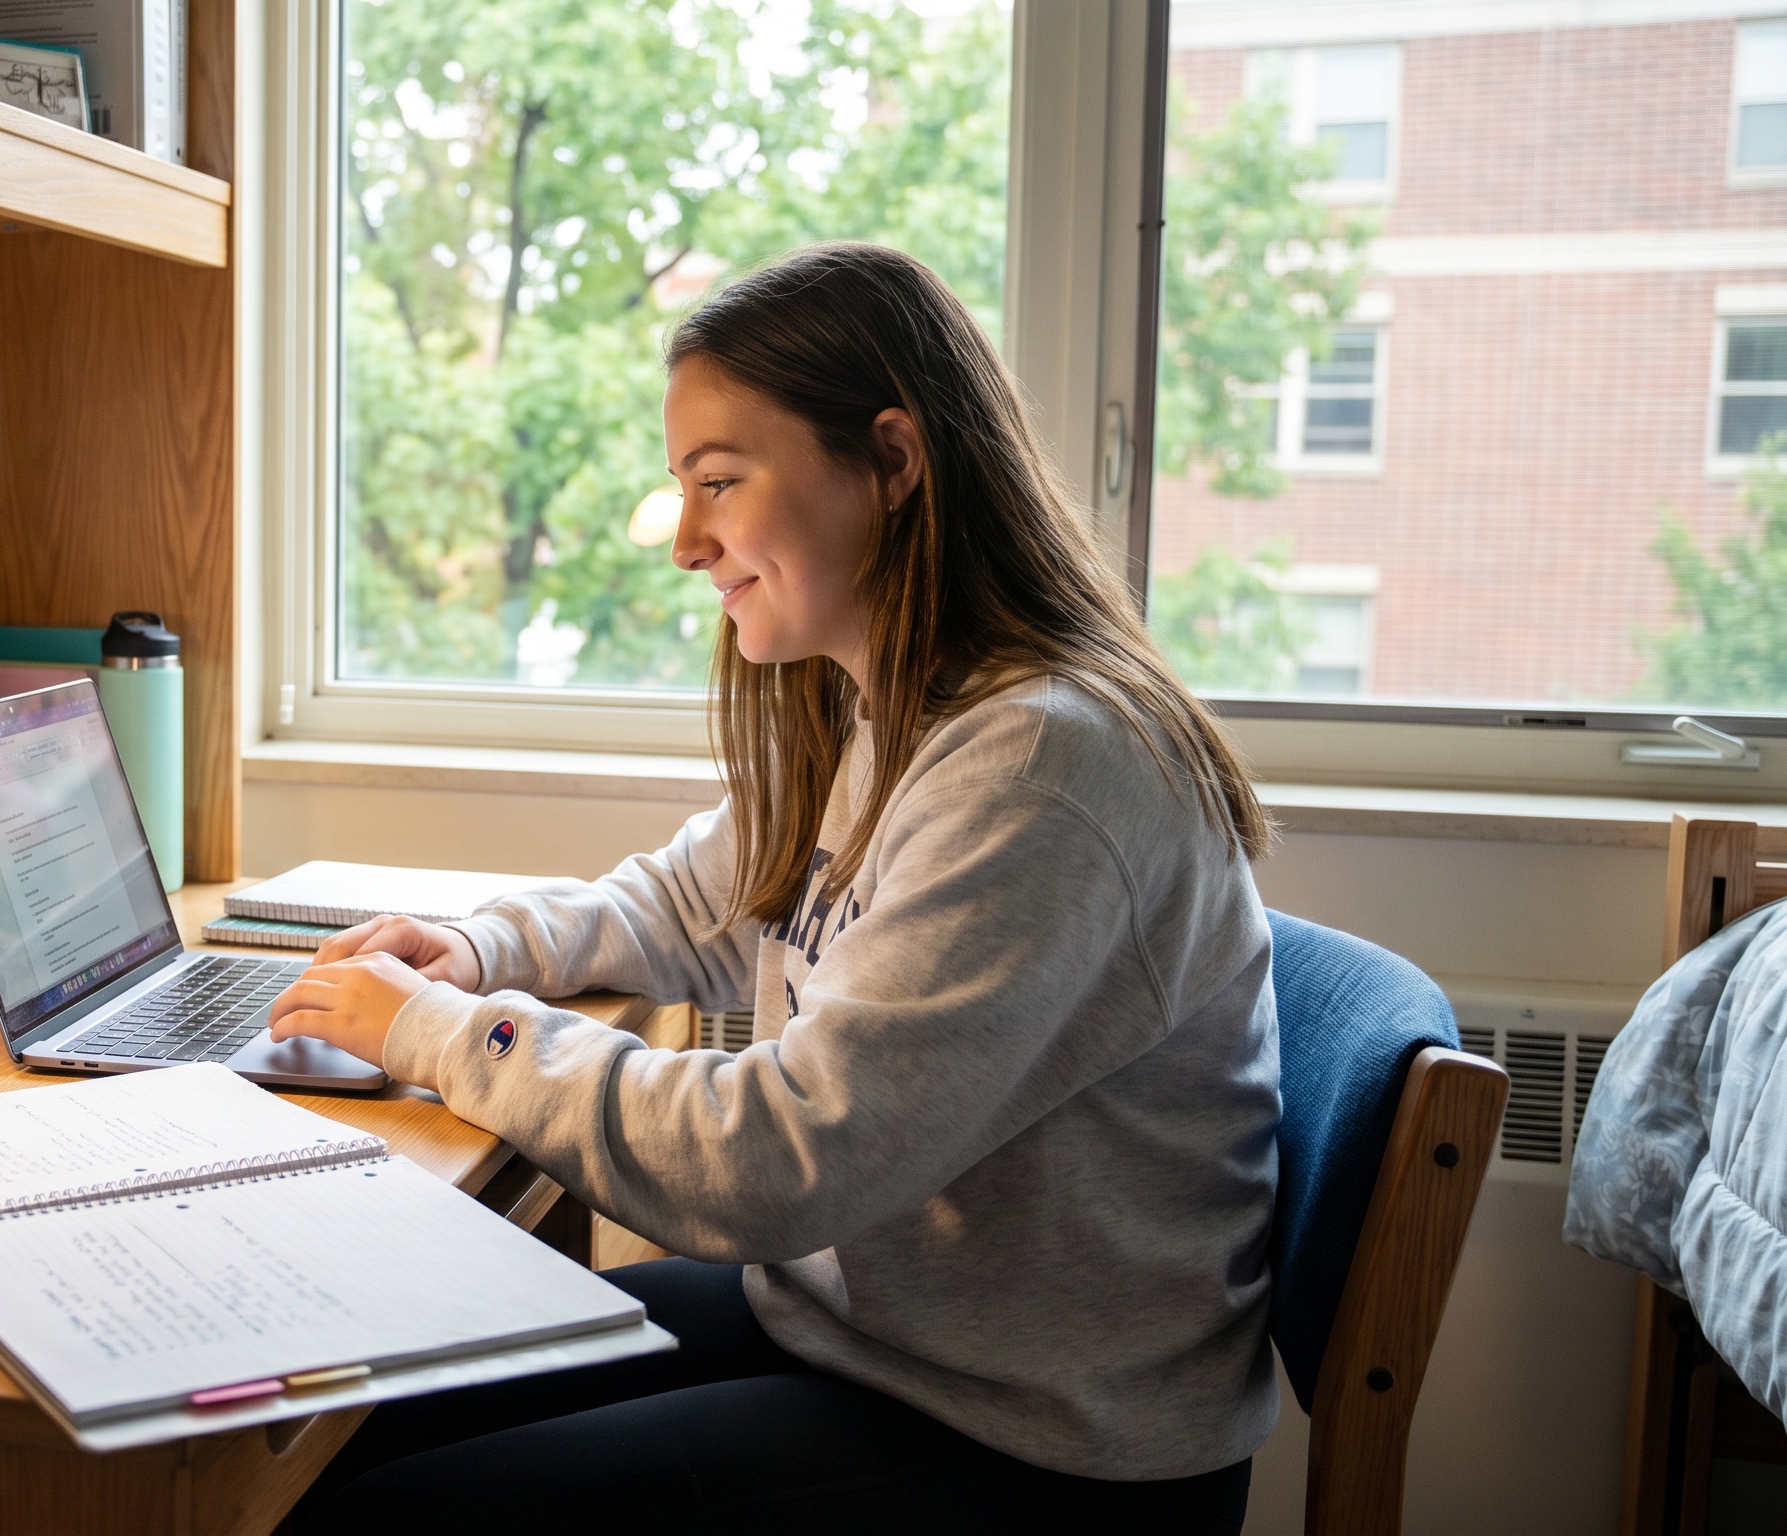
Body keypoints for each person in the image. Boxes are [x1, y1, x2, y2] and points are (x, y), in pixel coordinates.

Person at [268, 243, 1280, 1535]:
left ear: (893, 462)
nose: (688, 545)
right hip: (868, 1333)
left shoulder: (1039, 771)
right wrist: (476, 951)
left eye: (720, 484)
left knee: (380, 1511)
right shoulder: (897, 710)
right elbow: (696, 900)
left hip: (1033, 1441)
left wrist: (444, 1034)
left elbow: (778, 1158)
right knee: (347, 1415)